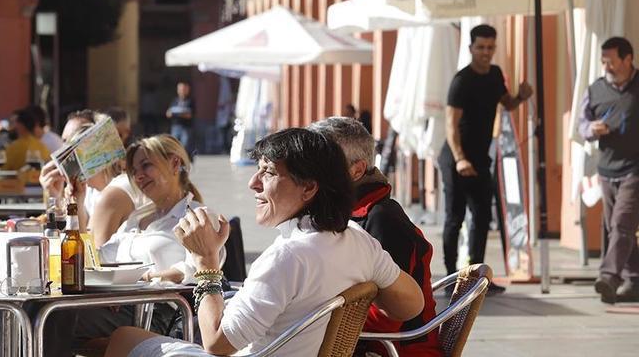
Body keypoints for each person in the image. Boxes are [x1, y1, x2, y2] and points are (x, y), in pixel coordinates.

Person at [106, 128, 424, 357]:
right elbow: (412, 304)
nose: (252, 183)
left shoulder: (288, 256)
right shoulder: (357, 239)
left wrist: (206, 263)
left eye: (268, 173)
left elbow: (216, 343)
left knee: (121, 338)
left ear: (309, 188)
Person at [42, 134, 221, 357]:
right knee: (40, 310)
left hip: (159, 310)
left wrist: (135, 284)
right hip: (121, 302)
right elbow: (94, 258)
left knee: (52, 316)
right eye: (134, 170)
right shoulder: (137, 218)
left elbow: (196, 269)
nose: (138, 175)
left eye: (146, 165)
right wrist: (76, 204)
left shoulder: (197, 216)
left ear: (175, 163)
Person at [310, 117, 439, 357]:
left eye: (321, 163)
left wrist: (309, 321)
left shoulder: (382, 220)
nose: (308, 172)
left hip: (396, 349)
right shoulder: (338, 214)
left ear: (356, 170)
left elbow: (387, 316)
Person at [439, 24, 532, 294]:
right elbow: (450, 125)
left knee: (481, 218)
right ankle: (449, 279)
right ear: (471, 48)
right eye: (480, 47)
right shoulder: (461, 80)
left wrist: (521, 97)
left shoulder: (495, 74)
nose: (485, 52)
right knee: (454, 218)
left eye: (490, 47)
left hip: (480, 159)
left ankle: (477, 279)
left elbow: (508, 103)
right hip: (456, 158)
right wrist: (460, 159)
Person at [577, 36, 639, 304]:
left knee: (621, 224)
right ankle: (634, 279)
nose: (607, 67)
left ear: (628, 59)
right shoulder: (595, 89)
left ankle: (609, 276)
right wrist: (592, 129)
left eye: (611, 61)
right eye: (604, 62)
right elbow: (581, 124)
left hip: (635, 168)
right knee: (618, 229)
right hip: (606, 170)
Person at [166, 81, 195, 154]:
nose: (182, 91)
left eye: (184, 89)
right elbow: (168, 113)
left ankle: (185, 160)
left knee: (185, 145)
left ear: (187, 89)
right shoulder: (174, 101)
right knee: (174, 145)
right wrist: (174, 113)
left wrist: (180, 114)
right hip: (175, 126)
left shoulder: (190, 101)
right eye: (180, 89)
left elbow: (190, 115)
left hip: (186, 127)